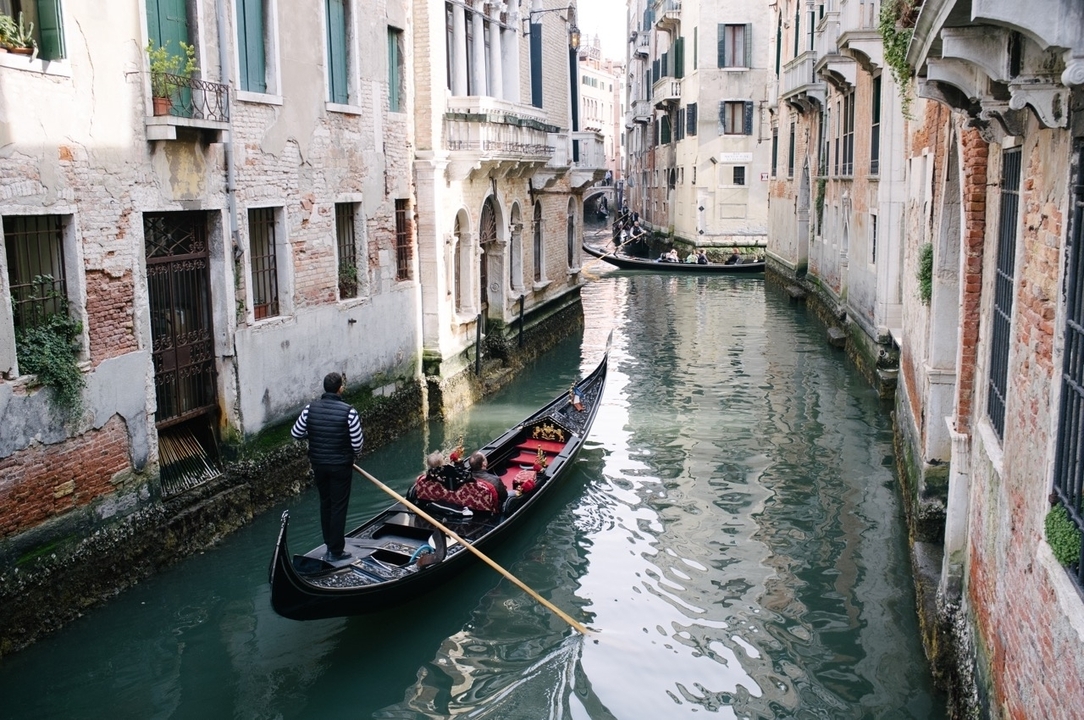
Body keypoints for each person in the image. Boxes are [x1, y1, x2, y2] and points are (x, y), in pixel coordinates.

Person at [291, 372, 364, 562]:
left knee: (326, 503)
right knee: (338, 507)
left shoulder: (310, 409)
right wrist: (351, 454)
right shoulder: (349, 411)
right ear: (340, 388)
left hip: (319, 465)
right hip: (340, 466)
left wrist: (315, 435)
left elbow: (296, 432)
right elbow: (357, 444)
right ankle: (336, 551)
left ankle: (328, 545)